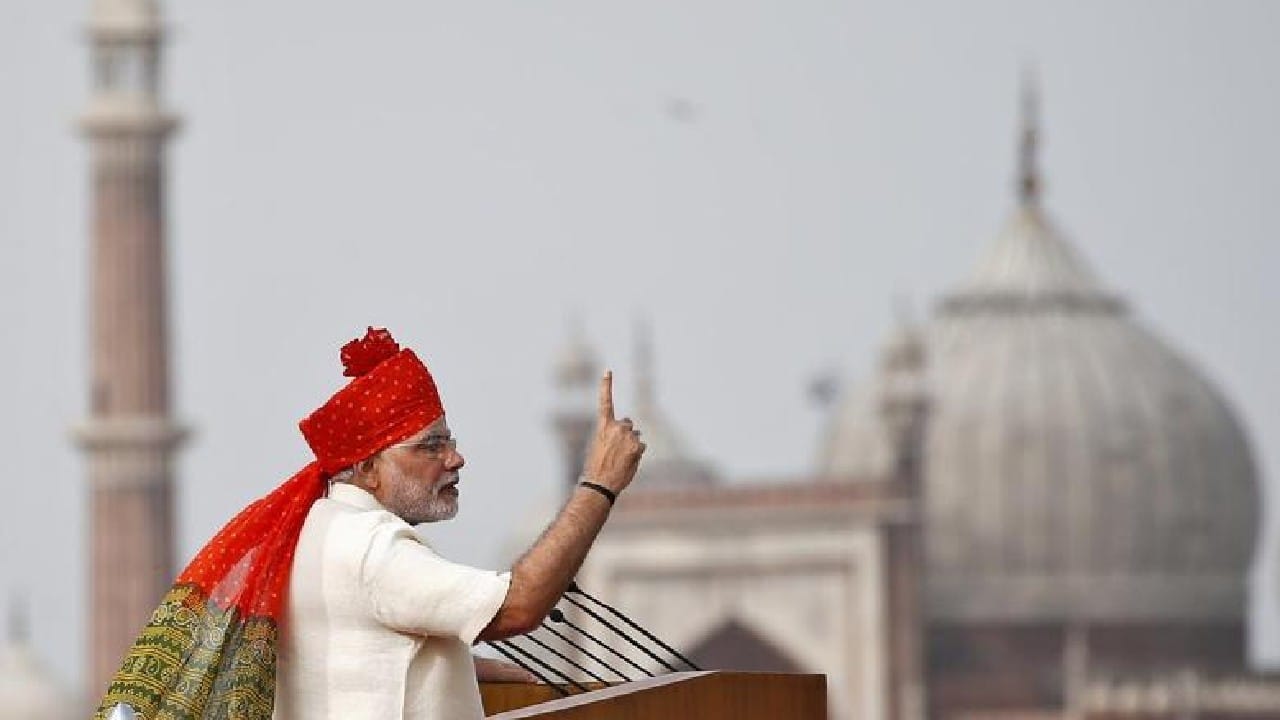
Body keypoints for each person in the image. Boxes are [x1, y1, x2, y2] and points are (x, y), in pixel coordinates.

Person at [94, 328, 645, 720]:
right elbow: (521, 605)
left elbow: (344, 661)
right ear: (367, 468)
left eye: (450, 441)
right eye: (431, 445)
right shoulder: (371, 549)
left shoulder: (309, 535)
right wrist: (598, 485)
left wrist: (458, 667)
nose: (455, 459)